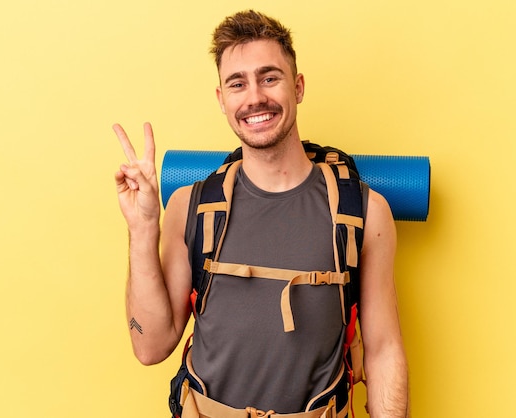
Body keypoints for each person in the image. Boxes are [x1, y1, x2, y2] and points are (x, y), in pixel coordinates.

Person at [113, 9, 408, 417]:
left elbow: (383, 350)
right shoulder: (189, 207)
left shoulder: (365, 212)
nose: (255, 97)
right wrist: (143, 229)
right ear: (221, 99)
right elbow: (150, 346)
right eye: (238, 83)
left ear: (298, 86)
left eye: (270, 78)